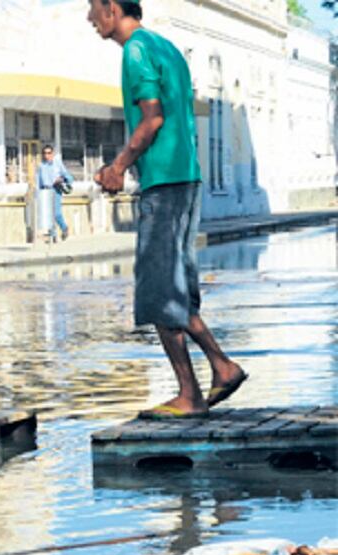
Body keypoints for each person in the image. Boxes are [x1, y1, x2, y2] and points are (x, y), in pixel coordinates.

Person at [88, 0, 245, 419]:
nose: (89, 18)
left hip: (165, 180)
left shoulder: (136, 50)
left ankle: (191, 393)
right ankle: (221, 367)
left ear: (111, 8)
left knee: (159, 291)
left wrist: (118, 167)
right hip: (186, 178)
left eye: (92, 8)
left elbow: (152, 118)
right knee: (172, 287)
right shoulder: (167, 48)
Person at [36, 144, 74, 241]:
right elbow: (38, 181)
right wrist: (38, 194)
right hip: (45, 190)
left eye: (49, 153)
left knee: (56, 213)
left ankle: (64, 227)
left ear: (52, 154)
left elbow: (68, 176)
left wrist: (62, 179)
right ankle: (53, 235)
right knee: (49, 214)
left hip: (55, 189)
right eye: (45, 153)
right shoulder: (41, 166)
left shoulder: (57, 164)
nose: (46, 155)